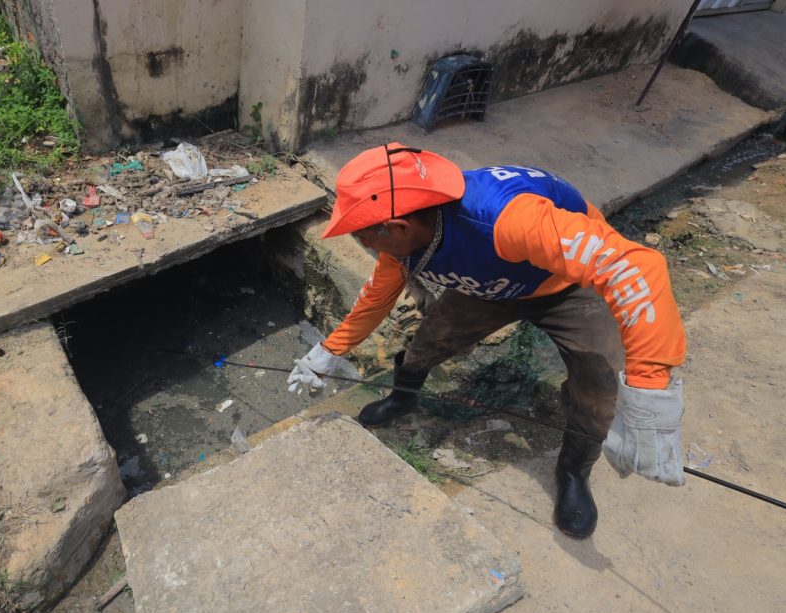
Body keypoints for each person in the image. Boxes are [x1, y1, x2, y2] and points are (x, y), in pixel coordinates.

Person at [288, 143, 687, 539]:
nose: (366, 245)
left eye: (364, 236)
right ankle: (403, 398)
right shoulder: (405, 240)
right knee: (426, 343)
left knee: (599, 392)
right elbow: (377, 297)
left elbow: (635, 268)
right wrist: (329, 350)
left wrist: (649, 394)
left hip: (566, 287)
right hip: (490, 286)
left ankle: (573, 471)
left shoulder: (507, 218)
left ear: (399, 227)